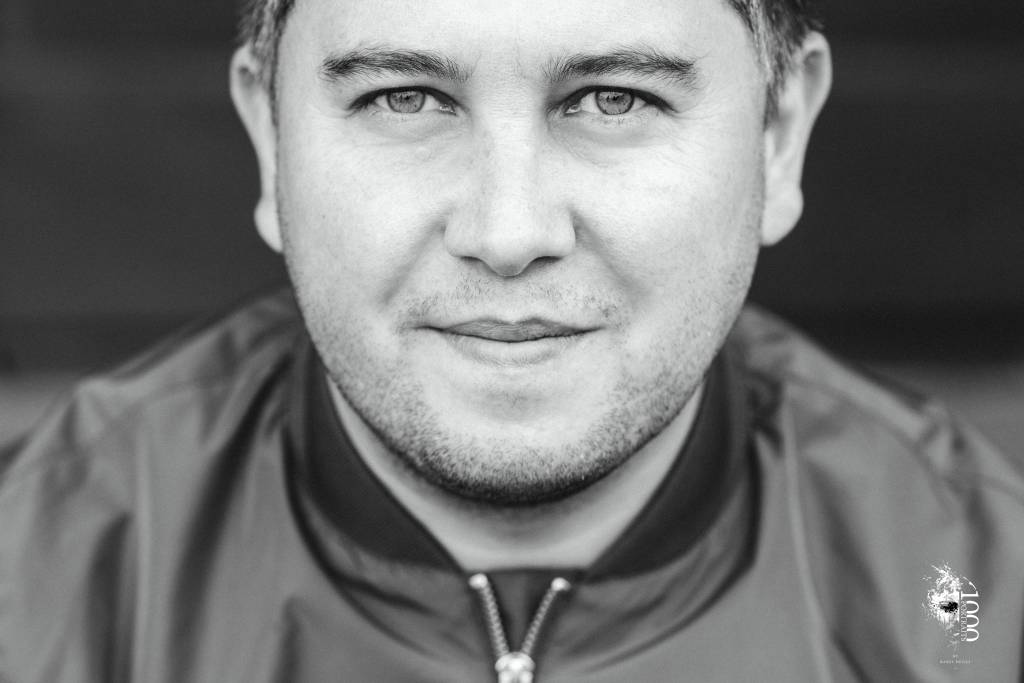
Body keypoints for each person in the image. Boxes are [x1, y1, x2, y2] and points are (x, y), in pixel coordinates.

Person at [1, 0, 1021, 680]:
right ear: (272, 140)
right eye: (403, 98)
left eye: (614, 98)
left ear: (777, 133)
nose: (507, 232)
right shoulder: (33, 579)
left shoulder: (972, 597)